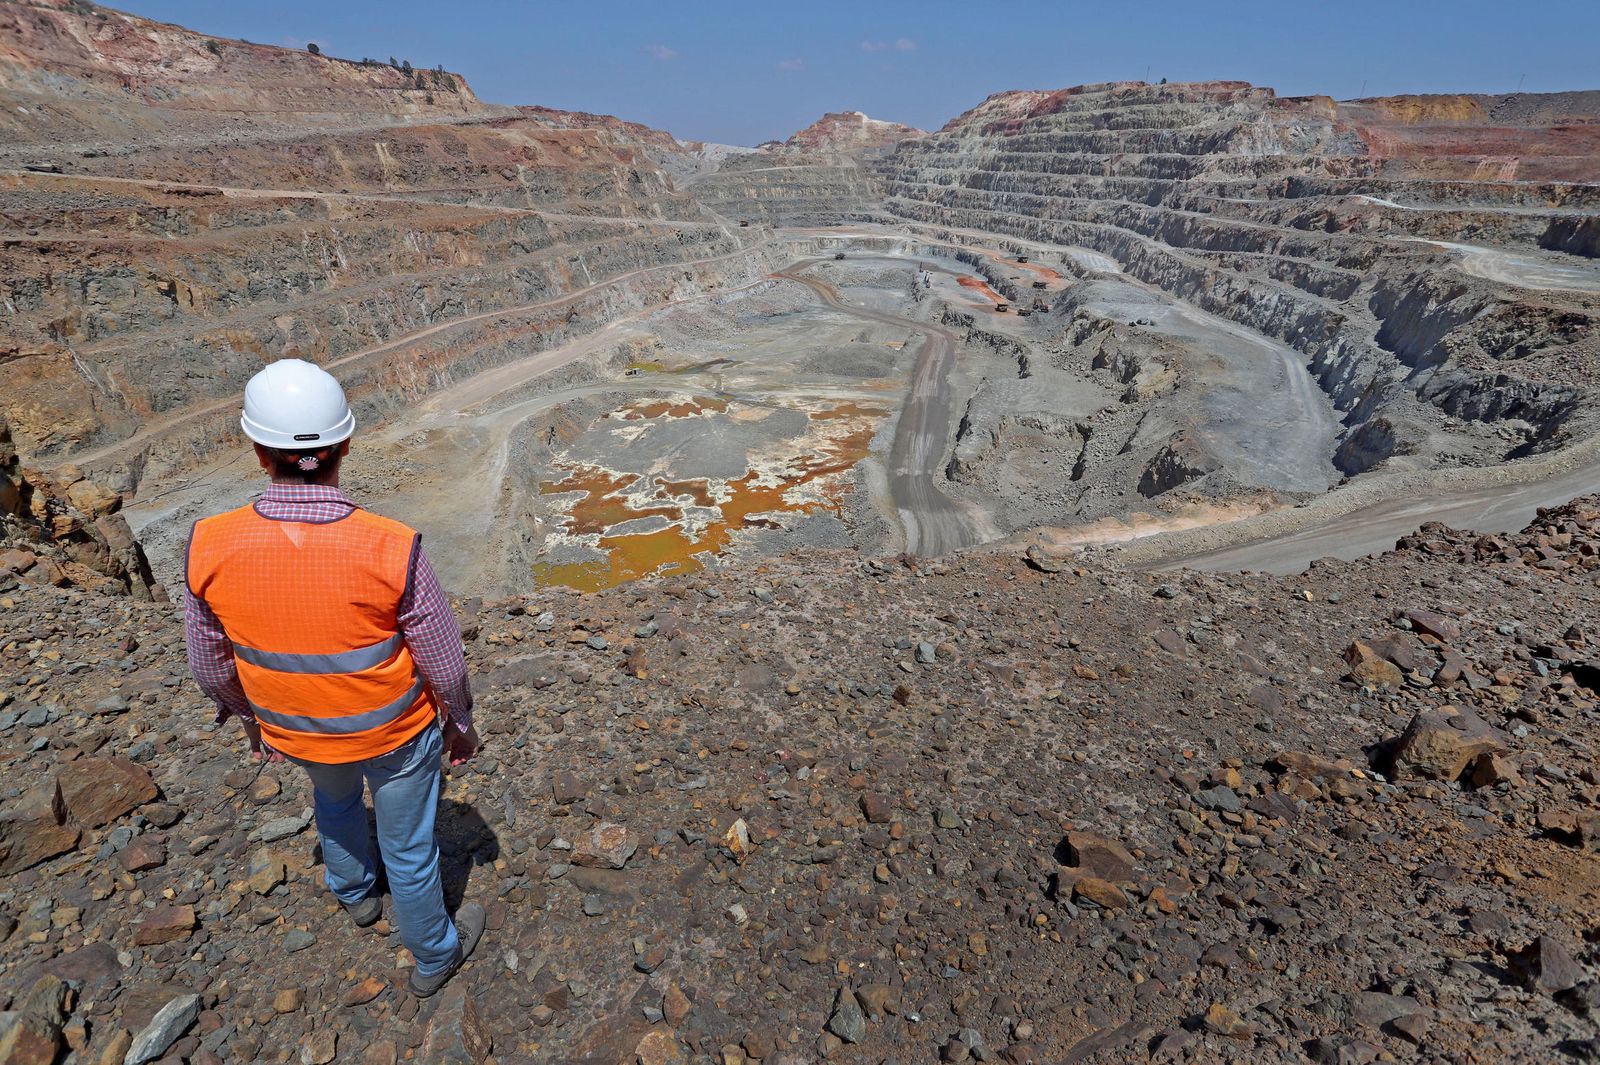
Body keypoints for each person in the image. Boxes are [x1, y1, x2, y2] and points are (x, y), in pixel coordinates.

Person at [182, 359, 485, 998]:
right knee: (409, 848)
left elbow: (210, 665)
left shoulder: (208, 543)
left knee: (335, 802)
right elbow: (443, 661)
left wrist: (254, 718)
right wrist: (457, 722)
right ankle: (433, 953)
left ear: (260, 453)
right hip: (394, 734)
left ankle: (354, 895)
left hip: (296, 730)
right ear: (344, 444)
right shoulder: (390, 545)